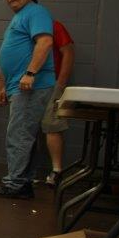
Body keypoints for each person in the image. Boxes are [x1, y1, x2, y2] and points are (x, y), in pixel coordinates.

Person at [0, 0, 56, 200]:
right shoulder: (20, 16)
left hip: (30, 85)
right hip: (17, 85)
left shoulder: (35, 11)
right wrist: (3, 86)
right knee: (24, 134)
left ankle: (15, 183)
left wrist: (30, 73)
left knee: (18, 135)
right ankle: (23, 182)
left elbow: (45, 42)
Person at [39, 19, 75, 186]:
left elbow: (68, 51)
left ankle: (57, 171)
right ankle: (26, 172)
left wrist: (60, 83)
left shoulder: (53, 25)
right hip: (29, 86)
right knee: (26, 129)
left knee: (52, 125)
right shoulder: (21, 28)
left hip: (52, 83)